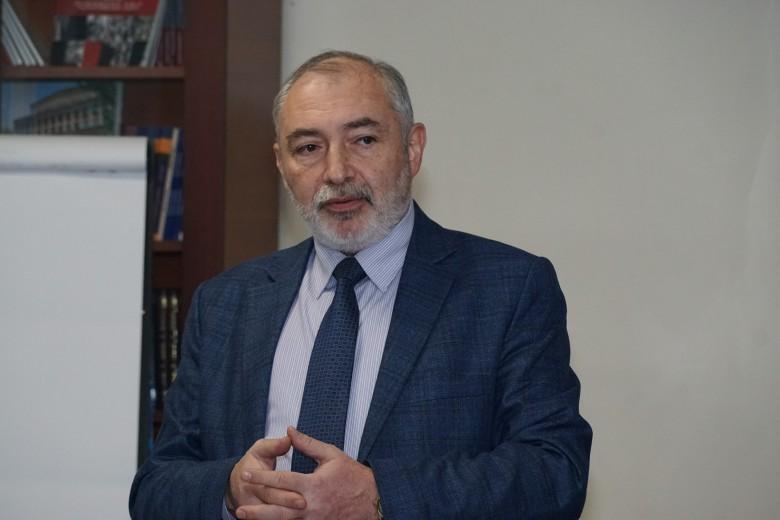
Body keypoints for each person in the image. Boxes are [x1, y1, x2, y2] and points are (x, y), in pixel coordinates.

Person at [129, 50, 592, 520]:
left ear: (412, 148)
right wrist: (230, 490)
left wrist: (379, 496)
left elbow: (555, 472)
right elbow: (155, 487)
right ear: (281, 165)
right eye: (308, 148)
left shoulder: (507, 289)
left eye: (364, 140)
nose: (337, 172)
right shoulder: (226, 302)